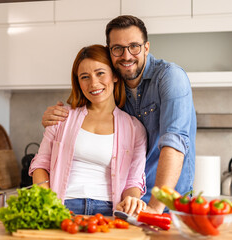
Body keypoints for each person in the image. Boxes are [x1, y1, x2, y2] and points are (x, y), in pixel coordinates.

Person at [41, 15, 197, 214]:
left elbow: (173, 144)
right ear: (110, 52)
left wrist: (156, 207)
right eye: (118, 48)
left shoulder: (169, 77)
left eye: (134, 46)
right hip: (132, 201)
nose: (126, 56)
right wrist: (54, 118)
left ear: (146, 47)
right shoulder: (116, 80)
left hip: (168, 198)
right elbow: (88, 96)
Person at [29, 44, 147, 216]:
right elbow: (40, 164)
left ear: (114, 75)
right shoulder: (62, 117)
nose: (93, 83)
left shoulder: (134, 128)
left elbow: (133, 181)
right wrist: (46, 199)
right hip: (62, 206)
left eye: (100, 73)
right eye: (85, 77)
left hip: (109, 210)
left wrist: (131, 201)